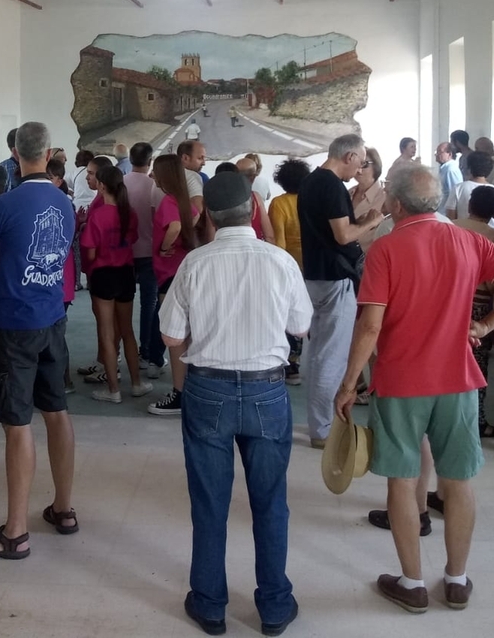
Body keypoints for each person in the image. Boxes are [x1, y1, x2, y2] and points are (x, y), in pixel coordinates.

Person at [335, 165, 494, 615]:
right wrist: (486, 325)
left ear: (395, 204)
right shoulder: (470, 241)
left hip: (401, 382)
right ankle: (456, 580)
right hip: (458, 380)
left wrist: (349, 384)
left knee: (402, 480)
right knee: (458, 480)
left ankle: (411, 583)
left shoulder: (386, 249)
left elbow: (370, 326)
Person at [160, 173, 313, 638]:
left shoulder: (194, 264)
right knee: (271, 501)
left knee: (210, 503)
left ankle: (209, 605)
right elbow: (300, 326)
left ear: (208, 215)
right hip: (267, 391)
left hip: (208, 390)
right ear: (254, 210)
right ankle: (275, 605)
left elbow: (170, 335)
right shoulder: (280, 261)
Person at [0, 122, 78, 558]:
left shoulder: (4, 204)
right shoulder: (64, 202)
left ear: (14, 153)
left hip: (14, 324)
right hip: (53, 319)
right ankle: (63, 509)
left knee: (17, 424)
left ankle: (15, 531)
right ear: (48, 154)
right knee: (57, 413)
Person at [298, 134, 384, 447]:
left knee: (318, 353)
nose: (359, 170)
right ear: (349, 157)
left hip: (315, 275)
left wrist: (360, 220)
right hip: (335, 278)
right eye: (360, 163)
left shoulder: (311, 181)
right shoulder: (332, 185)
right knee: (331, 357)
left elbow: (330, 228)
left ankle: (318, 422)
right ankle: (322, 430)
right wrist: (371, 223)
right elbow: (344, 236)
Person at [82, 165, 149, 403]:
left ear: (101, 186)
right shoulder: (129, 213)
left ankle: (113, 390)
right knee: (127, 331)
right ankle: (137, 384)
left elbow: (90, 253)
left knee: (107, 333)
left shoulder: (98, 216)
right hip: (126, 273)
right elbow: (132, 239)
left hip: (103, 274)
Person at [147, 154, 201, 416]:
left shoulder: (169, 201)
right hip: (182, 269)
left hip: (169, 274)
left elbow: (176, 225)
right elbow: (194, 217)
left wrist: (165, 246)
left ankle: (179, 393)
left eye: (155, 172)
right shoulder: (185, 201)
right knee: (187, 334)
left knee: (174, 335)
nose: (152, 177)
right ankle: (189, 388)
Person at [453, 186, 494, 438]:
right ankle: (477, 420)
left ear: (469, 205)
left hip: (448, 301)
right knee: (477, 364)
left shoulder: (450, 227)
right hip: (479, 304)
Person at [122, 143, 165, 378]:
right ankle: (146, 354)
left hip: (125, 252)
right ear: (150, 161)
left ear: (130, 159)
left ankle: (118, 354)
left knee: (122, 306)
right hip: (150, 252)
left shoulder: (121, 184)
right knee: (149, 305)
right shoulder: (155, 186)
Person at [269, 158, 311, 387]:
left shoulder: (279, 203)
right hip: (313, 265)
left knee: (287, 313)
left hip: (289, 265)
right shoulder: (312, 200)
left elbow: (280, 242)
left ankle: (290, 364)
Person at [444, 152, 494, 225]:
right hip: (489, 231)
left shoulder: (458, 189)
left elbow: (450, 218)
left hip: (463, 230)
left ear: (469, 168)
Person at [350, 147, 387, 254]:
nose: (359, 169)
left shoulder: (385, 197)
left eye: (364, 164)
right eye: (357, 163)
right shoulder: (347, 193)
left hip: (368, 256)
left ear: (376, 166)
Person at [235, 157, 275, 243]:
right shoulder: (256, 197)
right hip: (255, 246)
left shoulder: (226, 198)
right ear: (253, 178)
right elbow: (269, 236)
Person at [434, 142, 462, 213]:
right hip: (441, 210)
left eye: (439, 152)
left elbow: (455, 194)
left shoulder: (451, 170)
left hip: (446, 212)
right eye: (436, 152)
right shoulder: (444, 168)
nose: (436, 154)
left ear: (449, 154)